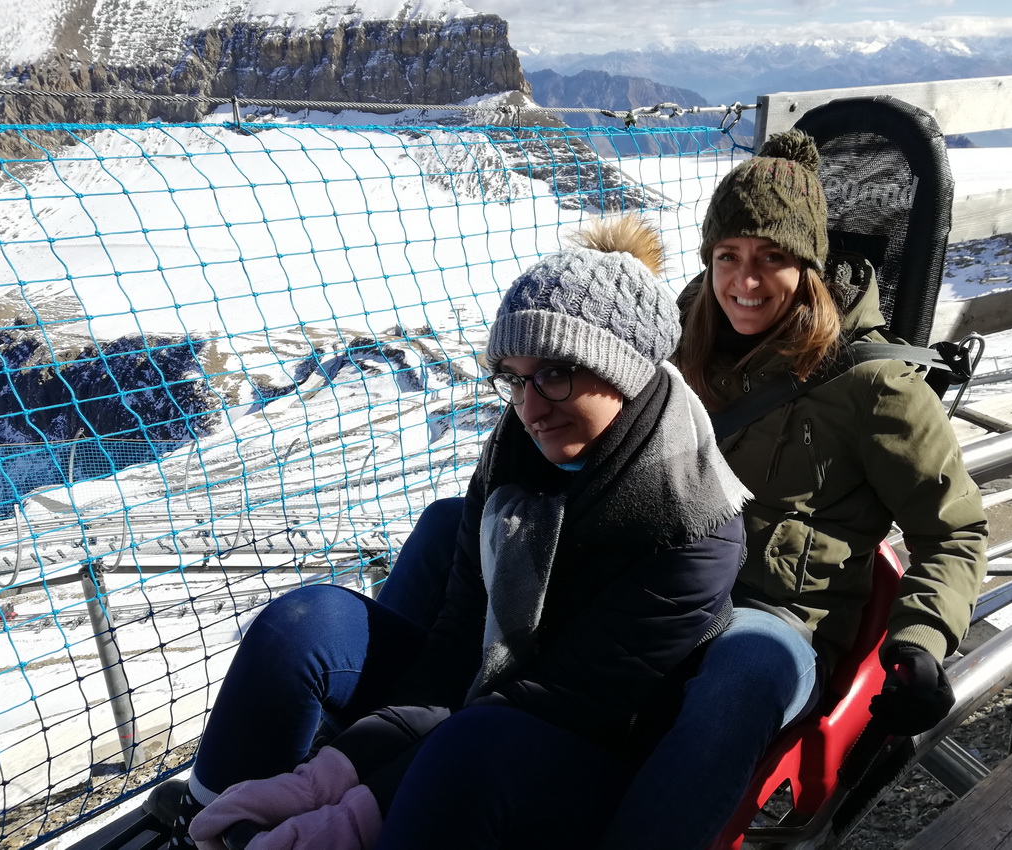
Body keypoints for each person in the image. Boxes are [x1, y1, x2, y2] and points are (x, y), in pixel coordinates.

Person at [161, 216, 750, 850]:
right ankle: (205, 826)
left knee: (471, 744)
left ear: (624, 370)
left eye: (555, 373)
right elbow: (459, 647)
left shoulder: (693, 523)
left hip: (589, 760)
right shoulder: (512, 460)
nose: (529, 409)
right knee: (304, 624)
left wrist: (362, 808)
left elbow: (565, 701)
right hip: (481, 722)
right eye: (514, 379)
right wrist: (329, 776)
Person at [594, 128, 988, 850]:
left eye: (771, 258)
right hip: (667, 585)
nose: (744, 281)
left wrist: (922, 640)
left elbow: (952, 530)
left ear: (809, 265)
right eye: (728, 256)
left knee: (739, 676)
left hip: (776, 618)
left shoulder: (875, 387)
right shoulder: (684, 339)